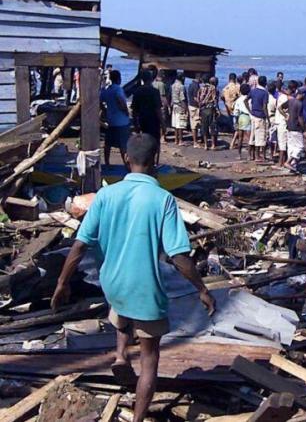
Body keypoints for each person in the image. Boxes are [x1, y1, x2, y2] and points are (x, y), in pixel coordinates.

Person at [50, 134, 216, 422]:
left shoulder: (106, 195)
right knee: (150, 360)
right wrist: (201, 289)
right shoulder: (163, 200)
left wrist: (62, 283)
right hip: (143, 290)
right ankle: (138, 419)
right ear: (156, 160)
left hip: (112, 283)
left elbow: (79, 244)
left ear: (126, 158)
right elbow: (178, 256)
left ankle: (119, 354)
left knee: (121, 308)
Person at [131, 70, 163, 164]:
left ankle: (146, 161)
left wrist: (135, 124)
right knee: (155, 142)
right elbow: (158, 109)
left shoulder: (137, 91)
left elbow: (134, 110)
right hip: (153, 120)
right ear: (151, 79)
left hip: (142, 120)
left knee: (144, 142)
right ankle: (154, 162)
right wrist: (163, 123)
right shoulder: (154, 91)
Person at [99, 70, 131, 166]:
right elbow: (120, 99)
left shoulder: (107, 90)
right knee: (123, 144)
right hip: (121, 121)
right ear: (119, 79)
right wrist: (125, 111)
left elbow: (99, 100)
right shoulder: (118, 89)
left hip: (111, 120)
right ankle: (126, 164)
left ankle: (107, 163)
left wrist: (104, 109)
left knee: (108, 144)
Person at [284, 81, 305, 172]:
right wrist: (303, 128)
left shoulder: (290, 101)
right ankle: (288, 162)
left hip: (289, 126)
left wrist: (286, 116)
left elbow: (281, 107)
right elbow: (300, 117)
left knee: (291, 147)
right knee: (300, 147)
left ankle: (292, 166)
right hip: (296, 127)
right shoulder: (299, 104)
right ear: (301, 94)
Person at [247, 75, 269, 161]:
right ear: (265, 83)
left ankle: (251, 155)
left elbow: (246, 100)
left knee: (252, 136)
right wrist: (267, 118)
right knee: (261, 137)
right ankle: (259, 156)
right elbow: (264, 107)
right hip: (260, 116)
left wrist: (250, 111)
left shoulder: (253, 91)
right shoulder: (264, 93)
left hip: (253, 116)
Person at [198, 75, 219, 150]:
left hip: (203, 109)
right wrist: (218, 110)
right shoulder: (213, 88)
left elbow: (199, 99)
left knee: (204, 127)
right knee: (212, 127)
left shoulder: (201, 88)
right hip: (211, 109)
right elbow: (215, 100)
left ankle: (206, 145)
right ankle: (213, 145)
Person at [232, 83, 252, 159]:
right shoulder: (250, 99)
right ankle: (249, 155)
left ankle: (239, 155)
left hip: (241, 117)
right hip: (248, 117)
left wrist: (236, 121)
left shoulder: (239, 99)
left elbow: (236, 112)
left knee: (240, 137)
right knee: (249, 138)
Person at [153, 70, 171, 143]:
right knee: (162, 121)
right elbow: (162, 96)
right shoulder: (161, 84)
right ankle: (162, 137)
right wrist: (168, 106)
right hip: (161, 105)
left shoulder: (153, 83)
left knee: (156, 121)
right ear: (162, 76)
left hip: (154, 105)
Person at [170, 73, 188, 146]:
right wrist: (185, 108)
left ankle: (176, 140)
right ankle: (180, 140)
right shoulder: (181, 86)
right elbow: (182, 98)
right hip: (180, 106)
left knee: (175, 124)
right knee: (180, 124)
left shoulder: (173, 85)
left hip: (174, 105)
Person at [274, 82, 289, 167]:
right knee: (283, 143)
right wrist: (286, 116)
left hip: (280, 121)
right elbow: (280, 108)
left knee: (282, 143)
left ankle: (282, 162)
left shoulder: (280, 96)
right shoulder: (285, 98)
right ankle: (281, 163)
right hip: (282, 122)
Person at [221, 73, 240, 139]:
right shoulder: (237, 87)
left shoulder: (225, 88)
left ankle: (233, 133)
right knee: (237, 121)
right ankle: (236, 134)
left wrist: (225, 102)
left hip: (228, 106)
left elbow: (222, 97)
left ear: (229, 79)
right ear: (235, 79)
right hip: (236, 107)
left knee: (231, 121)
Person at [187, 74, 203, 147]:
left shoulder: (190, 85)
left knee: (194, 124)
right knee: (195, 124)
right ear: (199, 78)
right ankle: (195, 142)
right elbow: (196, 98)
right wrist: (201, 104)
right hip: (195, 106)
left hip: (190, 105)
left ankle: (196, 140)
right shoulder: (196, 86)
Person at [266, 82, 278, 159]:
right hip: (273, 118)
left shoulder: (265, 97)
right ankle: (273, 152)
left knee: (267, 136)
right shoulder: (275, 99)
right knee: (273, 138)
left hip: (266, 118)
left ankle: (269, 153)